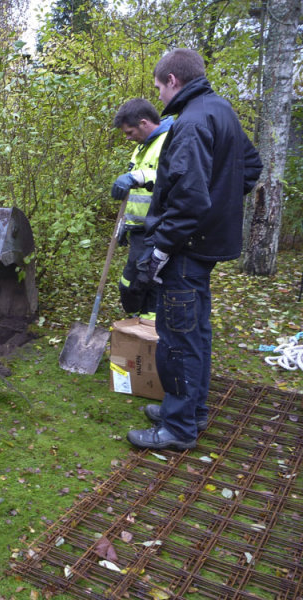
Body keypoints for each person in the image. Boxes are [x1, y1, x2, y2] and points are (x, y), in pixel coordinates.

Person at [126, 48, 263, 450]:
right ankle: (191, 411)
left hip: (186, 250)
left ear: (172, 81)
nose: (160, 96)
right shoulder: (221, 110)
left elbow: (188, 201)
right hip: (206, 245)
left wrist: (161, 249)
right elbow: (250, 168)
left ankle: (178, 429)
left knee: (177, 339)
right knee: (196, 332)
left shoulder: (190, 122)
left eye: (159, 88)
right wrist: (220, 206)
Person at [111, 99, 173, 318]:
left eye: (129, 132)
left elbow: (174, 178)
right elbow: (136, 195)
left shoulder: (170, 140)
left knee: (148, 281)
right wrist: (123, 226)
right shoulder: (142, 147)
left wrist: (138, 176)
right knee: (129, 283)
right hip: (138, 229)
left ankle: (148, 334)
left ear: (144, 123)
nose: (127, 138)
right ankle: (136, 322)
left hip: (159, 228)